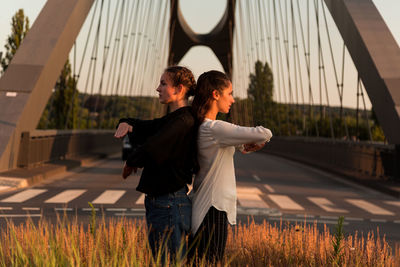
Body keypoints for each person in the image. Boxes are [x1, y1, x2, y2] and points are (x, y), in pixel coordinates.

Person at [114, 66, 198, 260]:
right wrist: (126, 122)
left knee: (167, 261)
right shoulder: (173, 119)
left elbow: (153, 147)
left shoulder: (184, 121)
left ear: (179, 89)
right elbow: (146, 128)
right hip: (164, 204)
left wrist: (131, 162)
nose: (157, 88)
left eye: (163, 83)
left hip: (168, 204)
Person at [190, 70, 273, 262]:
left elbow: (239, 146)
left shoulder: (204, 127)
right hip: (212, 210)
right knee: (211, 261)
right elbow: (264, 133)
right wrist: (256, 141)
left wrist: (245, 146)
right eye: (230, 93)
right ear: (215, 94)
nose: (233, 100)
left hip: (210, 208)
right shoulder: (214, 128)